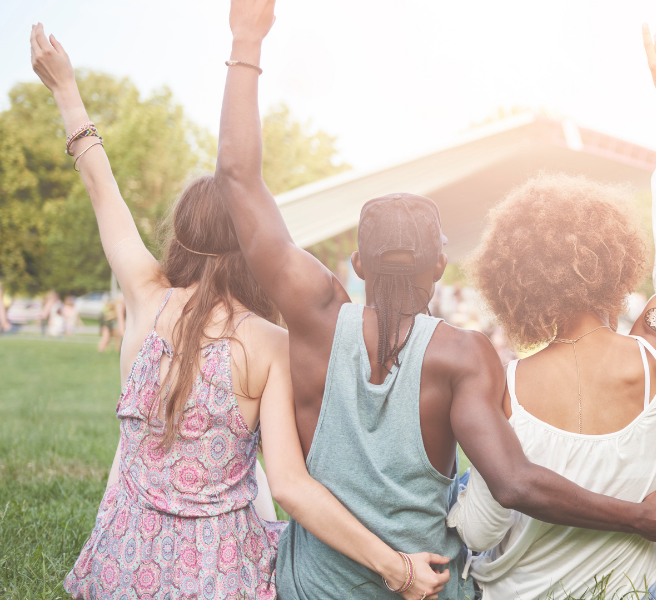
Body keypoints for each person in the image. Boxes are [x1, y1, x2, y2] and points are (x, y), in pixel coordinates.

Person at [214, 1, 656, 598]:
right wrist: (636, 517)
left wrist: (247, 42)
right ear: (442, 265)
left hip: (316, 584)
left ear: (358, 264)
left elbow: (237, 178)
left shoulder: (316, 315)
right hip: (433, 584)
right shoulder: (464, 355)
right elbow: (514, 484)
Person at [31, 24, 440, 600]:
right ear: (253, 249)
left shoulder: (146, 297)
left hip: (123, 566)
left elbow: (102, 189)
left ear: (181, 236)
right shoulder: (270, 342)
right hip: (221, 577)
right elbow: (291, 487)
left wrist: (65, 89)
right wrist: (396, 569)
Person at [445, 27, 656, 599]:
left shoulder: (507, 386)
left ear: (516, 282)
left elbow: (483, 526)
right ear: (616, 261)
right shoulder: (654, 355)